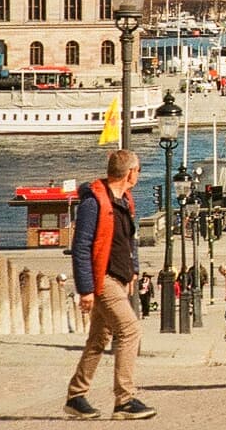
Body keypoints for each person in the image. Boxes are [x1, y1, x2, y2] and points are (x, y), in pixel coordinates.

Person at [64, 148, 156, 420]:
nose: (138, 174)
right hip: (101, 278)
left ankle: (76, 396)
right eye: (137, 170)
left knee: (99, 338)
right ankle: (124, 400)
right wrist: (86, 290)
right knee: (129, 330)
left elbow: (130, 239)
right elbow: (81, 247)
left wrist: (134, 271)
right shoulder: (94, 203)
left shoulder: (124, 200)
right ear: (129, 173)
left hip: (118, 276)